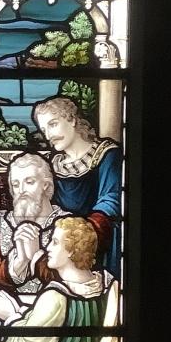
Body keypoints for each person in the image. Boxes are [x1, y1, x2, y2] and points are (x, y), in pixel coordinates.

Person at [32, 95, 122, 278]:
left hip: (98, 240)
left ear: (72, 120)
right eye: (44, 130)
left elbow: (111, 199)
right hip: (58, 245)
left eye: (53, 124)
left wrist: (82, 236)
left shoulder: (106, 154)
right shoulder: (52, 165)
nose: (48, 136)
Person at [0, 152, 67, 295]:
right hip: (3, 305)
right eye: (15, 184)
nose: (21, 190)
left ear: (46, 184)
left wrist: (37, 257)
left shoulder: (67, 224)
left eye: (29, 182)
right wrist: (18, 264)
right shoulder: (1, 223)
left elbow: (77, 276)